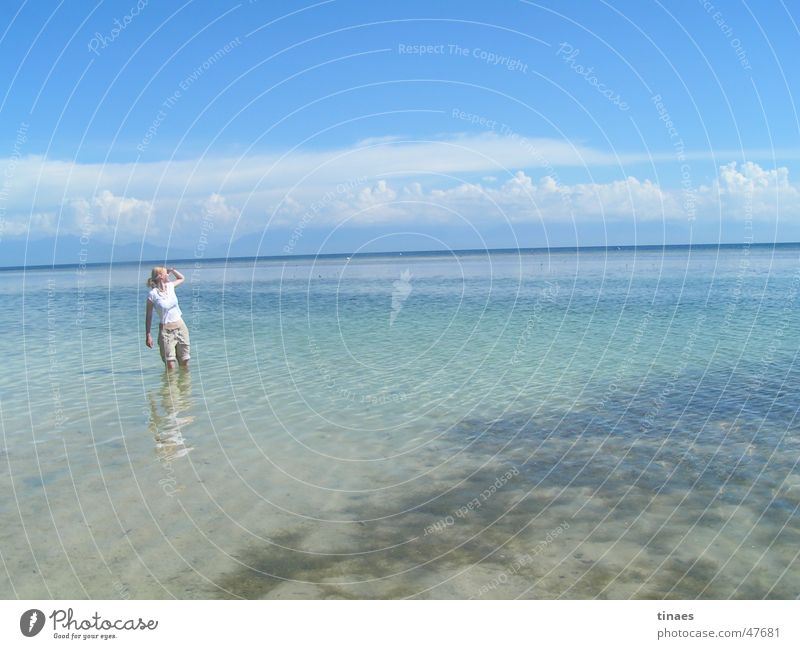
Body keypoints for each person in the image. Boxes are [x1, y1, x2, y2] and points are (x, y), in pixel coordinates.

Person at [145, 266, 190, 370]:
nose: (168, 275)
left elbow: (181, 278)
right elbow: (149, 316)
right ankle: (170, 386)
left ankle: (185, 386)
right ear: (160, 276)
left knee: (185, 362)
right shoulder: (152, 295)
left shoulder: (170, 286)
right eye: (167, 273)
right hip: (166, 332)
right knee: (170, 366)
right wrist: (148, 334)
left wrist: (173, 270)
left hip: (181, 328)